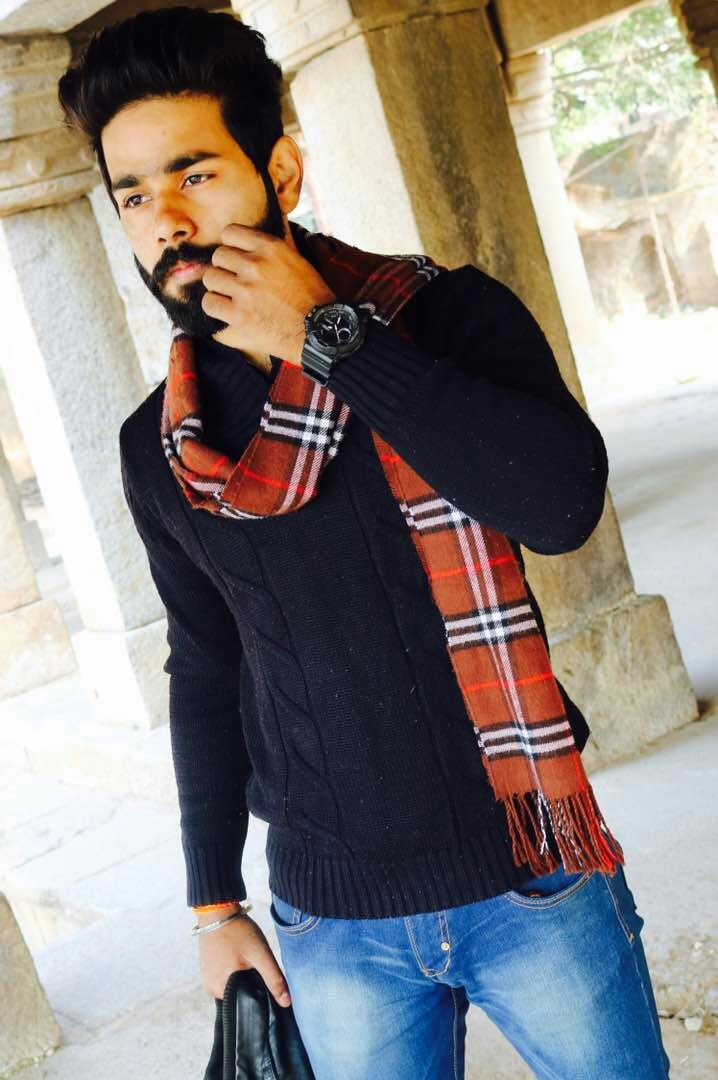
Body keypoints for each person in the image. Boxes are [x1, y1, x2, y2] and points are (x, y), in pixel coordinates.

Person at [58, 7, 671, 1077]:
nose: (166, 221)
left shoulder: (444, 320)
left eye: (195, 174)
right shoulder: (159, 447)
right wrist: (215, 905)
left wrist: (331, 343)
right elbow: (207, 663)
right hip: (331, 925)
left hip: (532, 879)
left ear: (281, 172)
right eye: (135, 195)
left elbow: (560, 506)